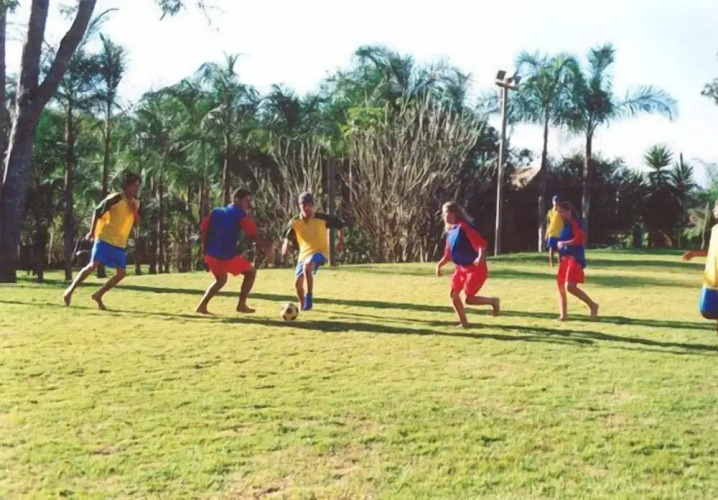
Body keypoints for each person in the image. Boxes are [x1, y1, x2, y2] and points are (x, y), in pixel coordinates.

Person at [63, 172, 142, 310]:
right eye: (134, 186)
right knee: (93, 265)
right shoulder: (115, 198)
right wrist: (92, 231)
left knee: (121, 274)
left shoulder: (136, 202)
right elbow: (97, 211)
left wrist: (134, 211)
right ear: (126, 186)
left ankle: (98, 295)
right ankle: (69, 291)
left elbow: (138, 221)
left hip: (119, 242)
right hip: (105, 237)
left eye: (138, 186)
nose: (136, 189)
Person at [195, 188, 272, 315]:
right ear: (236, 199)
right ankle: (241, 305)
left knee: (221, 280)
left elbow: (203, 229)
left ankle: (201, 306)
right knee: (251, 272)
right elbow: (253, 235)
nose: (248, 204)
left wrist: (204, 249)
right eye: (246, 200)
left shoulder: (216, 212)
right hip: (225, 256)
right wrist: (267, 249)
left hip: (211, 254)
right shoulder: (239, 214)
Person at [436, 201, 500, 328]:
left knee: (469, 299)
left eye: (445, 213)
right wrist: (439, 265)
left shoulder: (464, 227)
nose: (443, 217)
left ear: (453, 213)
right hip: (460, 269)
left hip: (475, 268)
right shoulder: (450, 231)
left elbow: (481, 244)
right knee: (453, 294)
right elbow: (448, 254)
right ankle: (464, 323)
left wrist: (480, 257)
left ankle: (493, 301)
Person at [281, 192, 344, 311]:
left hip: (320, 253)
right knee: (298, 283)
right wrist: (285, 246)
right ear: (299, 206)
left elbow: (339, 223)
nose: (306, 208)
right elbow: (287, 236)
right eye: (303, 205)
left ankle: (309, 296)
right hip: (303, 255)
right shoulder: (295, 222)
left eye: (309, 205)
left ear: (312, 206)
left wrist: (340, 241)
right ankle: (302, 306)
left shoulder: (321, 218)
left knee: (307, 265)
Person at [555, 201, 599, 321]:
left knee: (570, 286)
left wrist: (564, 243)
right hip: (565, 259)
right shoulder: (563, 225)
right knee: (560, 286)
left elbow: (580, 238)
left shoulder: (574, 223)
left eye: (561, 211)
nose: (559, 214)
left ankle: (593, 305)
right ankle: (563, 314)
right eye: (559, 211)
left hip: (574, 258)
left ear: (568, 211)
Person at [681, 200, 718, 331]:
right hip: (713, 279)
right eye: (715, 208)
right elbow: (713, 251)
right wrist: (694, 253)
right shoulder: (715, 230)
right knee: (710, 311)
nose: (716, 210)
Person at [546, 195, 564, 267]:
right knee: (551, 248)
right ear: (552, 202)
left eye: (557, 201)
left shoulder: (561, 211)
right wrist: (546, 233)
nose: (556, 203)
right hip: (551, 232)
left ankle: (560, 263)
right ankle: (551, 263)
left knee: (560, 249)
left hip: (560, 232)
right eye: (554, 201)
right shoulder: (550, 211)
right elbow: (548, 223)